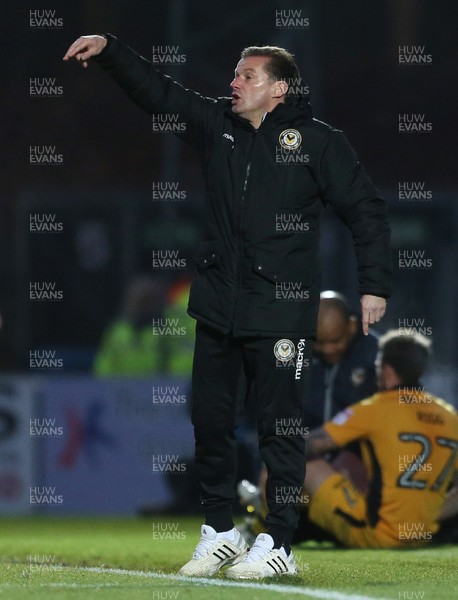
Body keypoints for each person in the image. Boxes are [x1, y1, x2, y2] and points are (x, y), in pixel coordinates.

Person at [63, 35, 392, 578]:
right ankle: (219, 531)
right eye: (235, 75)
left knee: (280, 428)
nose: (233, 83)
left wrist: (374, 284)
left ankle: (279, 542)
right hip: (218, 305)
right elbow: (160, 95)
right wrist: (111, 52)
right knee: (210, 423)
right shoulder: (218, 126)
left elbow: (367, 211)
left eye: (247, 76)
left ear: (279, 89)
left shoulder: (319, 143)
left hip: (280, 311)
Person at [303, 330, 458, 548]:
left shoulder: (374, 408)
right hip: (423, 537)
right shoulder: (450, 415)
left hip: (379, 533)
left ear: (385, 370)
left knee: (303, 463)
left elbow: (311, 445)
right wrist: (430, 516)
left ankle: (263, 529)